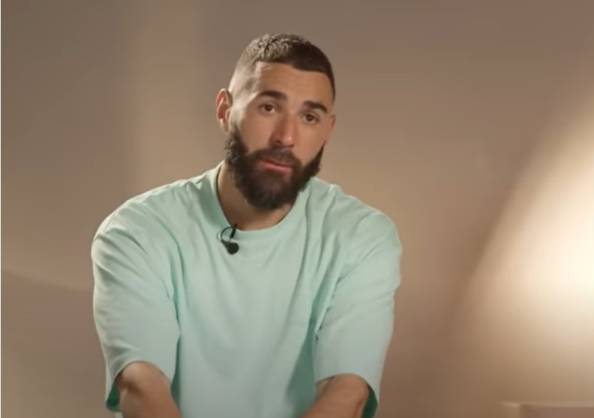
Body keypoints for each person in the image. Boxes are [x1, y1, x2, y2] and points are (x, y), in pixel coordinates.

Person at [92, 33, 402, 418]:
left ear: (328, 130)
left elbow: (347, 393)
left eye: (309, 117)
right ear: (225, 109)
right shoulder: (137, 231)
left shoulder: (362, 237)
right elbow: (140, 386)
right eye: (268, 107)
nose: (286, 137)